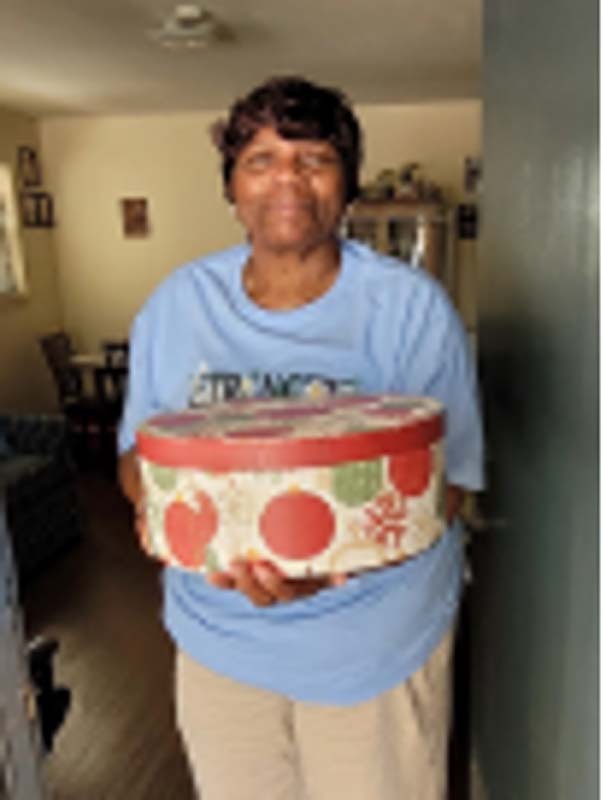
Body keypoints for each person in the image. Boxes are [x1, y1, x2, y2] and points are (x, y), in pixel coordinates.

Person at [118, 75, 483, 800]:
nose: (286, 177)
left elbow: (452, 487)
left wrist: (327, 559)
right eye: (259, 160)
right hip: (218, 644)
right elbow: (140, 457)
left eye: (313, 157)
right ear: (230, 186)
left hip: (373, 647)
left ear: (346, 185)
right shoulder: (178, 304)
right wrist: (176, 522)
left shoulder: (409, 309)